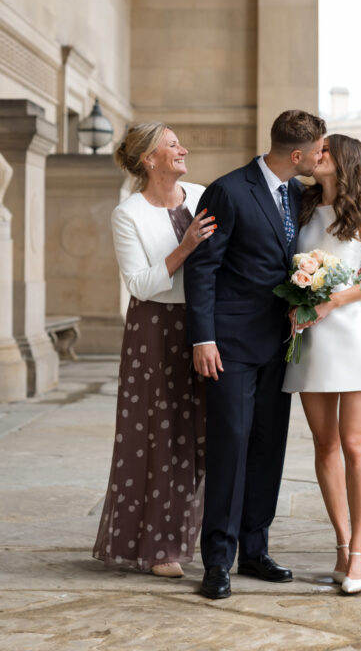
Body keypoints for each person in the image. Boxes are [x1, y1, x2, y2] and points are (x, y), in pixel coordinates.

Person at [184, 109, 326, 600]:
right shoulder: (227, 189)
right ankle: (217, 561)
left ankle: (255, 550)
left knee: (269, 447)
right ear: (296, 154)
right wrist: (203, 339)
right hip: (230, 346)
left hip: (281, 345)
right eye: (317, 151)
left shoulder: (297, 193)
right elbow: (203, 269)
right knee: (231, 446)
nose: (320, 157)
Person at [282, 134, 361, 595]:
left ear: (345, 160)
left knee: (354, 441)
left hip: (350, 332)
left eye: (326, 151)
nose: (318, 156)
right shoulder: (303, 206)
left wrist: (334, 300)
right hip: (312, 338)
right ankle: (340, 542)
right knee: (324, 443)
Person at [93, 123, 213, 578]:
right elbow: (140, 284)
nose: (183, 148)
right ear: (149, 159)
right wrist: (184, 247)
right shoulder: (128, 214)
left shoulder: (202, 195)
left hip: (206, 324)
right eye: (172, 144)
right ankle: (161, 547)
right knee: (160, 435)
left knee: (203, 431)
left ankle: (197, 534)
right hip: (156, 330)